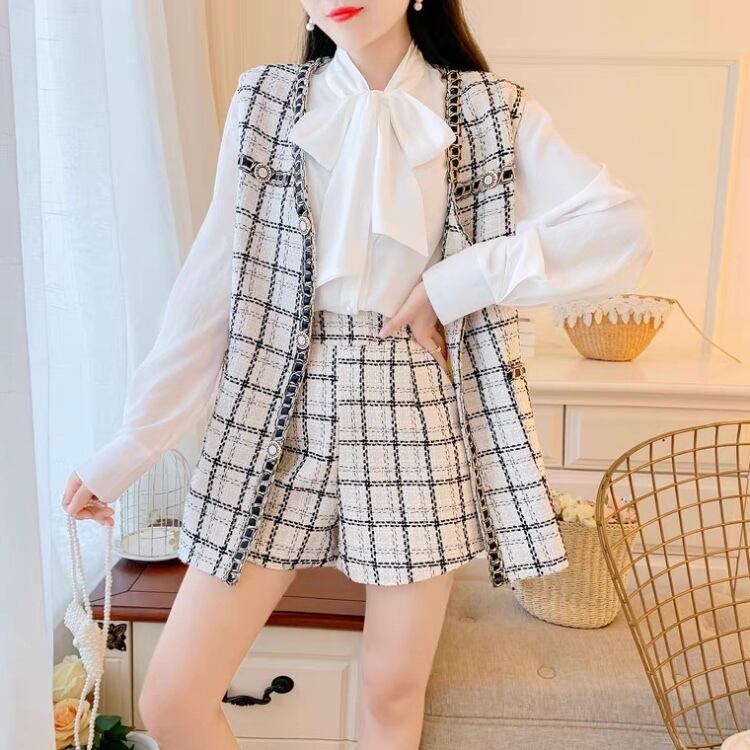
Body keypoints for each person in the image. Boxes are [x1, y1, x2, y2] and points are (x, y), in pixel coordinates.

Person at [61, 1, 653, 748]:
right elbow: (212, 286)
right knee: (175, 697)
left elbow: (622, 228)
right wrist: (129, 447)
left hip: (414, 400)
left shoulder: (489, 109)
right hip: (282, 401)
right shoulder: (266, 101)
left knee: (391, 693)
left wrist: (453, 283)